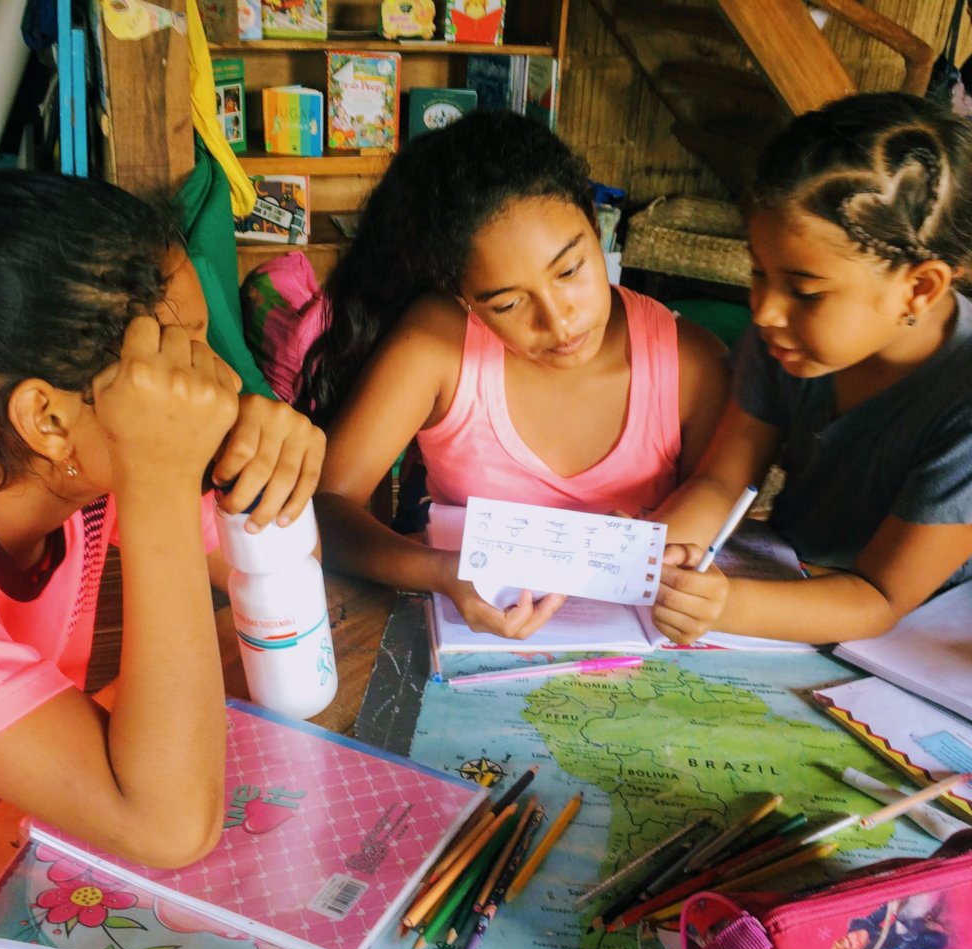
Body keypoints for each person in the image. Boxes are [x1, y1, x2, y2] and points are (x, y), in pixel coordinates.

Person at [0, 169, 325, 867]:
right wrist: (159, 477)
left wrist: (264, 464)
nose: (215, 382)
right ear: (48, 418)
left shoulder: (86, 465)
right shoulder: (132, 468)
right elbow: (169, 826)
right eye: (176, 367)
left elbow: (283, 605)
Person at [306, 111, 729, 640]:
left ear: (598, 230)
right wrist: (443, 572)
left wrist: (682, 577)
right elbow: (325, 508)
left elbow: (719, 510)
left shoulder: (689, 364)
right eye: (508, 303)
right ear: (465, 301)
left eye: (570, 270)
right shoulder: (439, 346)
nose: (559, 320)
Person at [653, 92, 972, 646]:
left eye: (805, 291)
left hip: (910, 643)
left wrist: (726, 602)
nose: (765, 311)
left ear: (919, 288)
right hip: (792, 581)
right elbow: (721, 480)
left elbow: (879, 598)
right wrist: (647, 552)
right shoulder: (787, 340)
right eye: (758, 272)